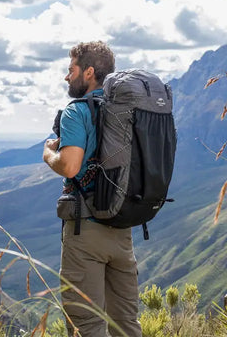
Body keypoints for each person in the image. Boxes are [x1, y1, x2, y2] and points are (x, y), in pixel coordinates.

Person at [43, 41, 142, 337]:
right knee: (126, 324)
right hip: (122, 226)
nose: (66, 76)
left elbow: (71, 166)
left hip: (85, 231)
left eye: (70, 69)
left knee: (87, 325)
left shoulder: (77, 111)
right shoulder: (126, 110)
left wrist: (48, 153)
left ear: (88, 72)